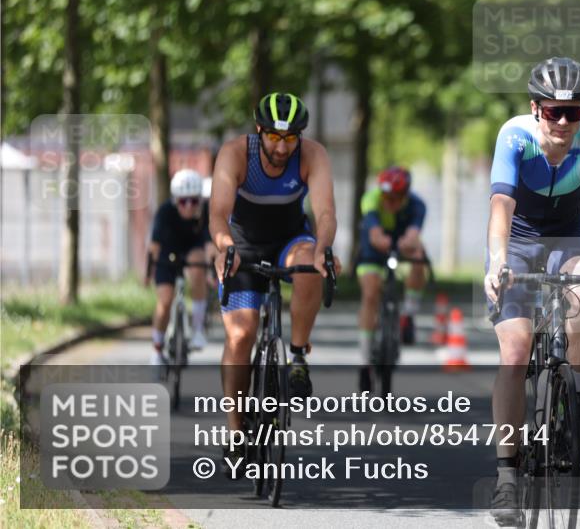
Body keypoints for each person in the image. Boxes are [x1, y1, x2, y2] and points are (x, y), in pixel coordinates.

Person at [484, 57, 580, 526]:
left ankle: (571, 389)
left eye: (573, 112)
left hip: (569, 236)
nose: (564, 122)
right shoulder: (514, 135)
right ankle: (507, 475)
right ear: (536, 109)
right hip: (516, 240)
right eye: (554, 111)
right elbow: (501, 204)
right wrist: (496, 261)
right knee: (514, 355)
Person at [210, 93, 341, 454]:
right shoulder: (236, 154)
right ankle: (236, 432)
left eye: (289, 138)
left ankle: (297, 356)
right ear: (259, 131)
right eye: (273, 137)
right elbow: (218, 213)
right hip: (243, 243)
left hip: (290, 238)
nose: (281, 147)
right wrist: (224, 248)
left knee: (309, 266)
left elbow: (326, 213)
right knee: (240, 335)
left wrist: (323, 248)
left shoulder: (312, 155)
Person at [356, 165, 428, 392]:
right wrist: (380, 239)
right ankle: (365, 359)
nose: (389, 202)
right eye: (385, 196)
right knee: (370, 293)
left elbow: (413, 234)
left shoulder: (418, 205)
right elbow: (374, 232)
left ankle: (408, 315)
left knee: (419, 257)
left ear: (405, 196)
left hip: (402, 243)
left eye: (395, 198)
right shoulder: (371, 199)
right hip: (373, 248)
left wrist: (409, 241)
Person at [146, 168, 212, 364]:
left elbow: (209, 245)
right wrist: (149, 272)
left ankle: (198, 328)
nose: (189, 206)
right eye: (184, 201)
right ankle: (157, 349)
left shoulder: (205, 212)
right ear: (176, 200)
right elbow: (154, 246)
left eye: (194, 200)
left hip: (193, 250)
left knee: (197, 266)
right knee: (165, 301)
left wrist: (212, 271)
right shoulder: (165, 212)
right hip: (168, 253)